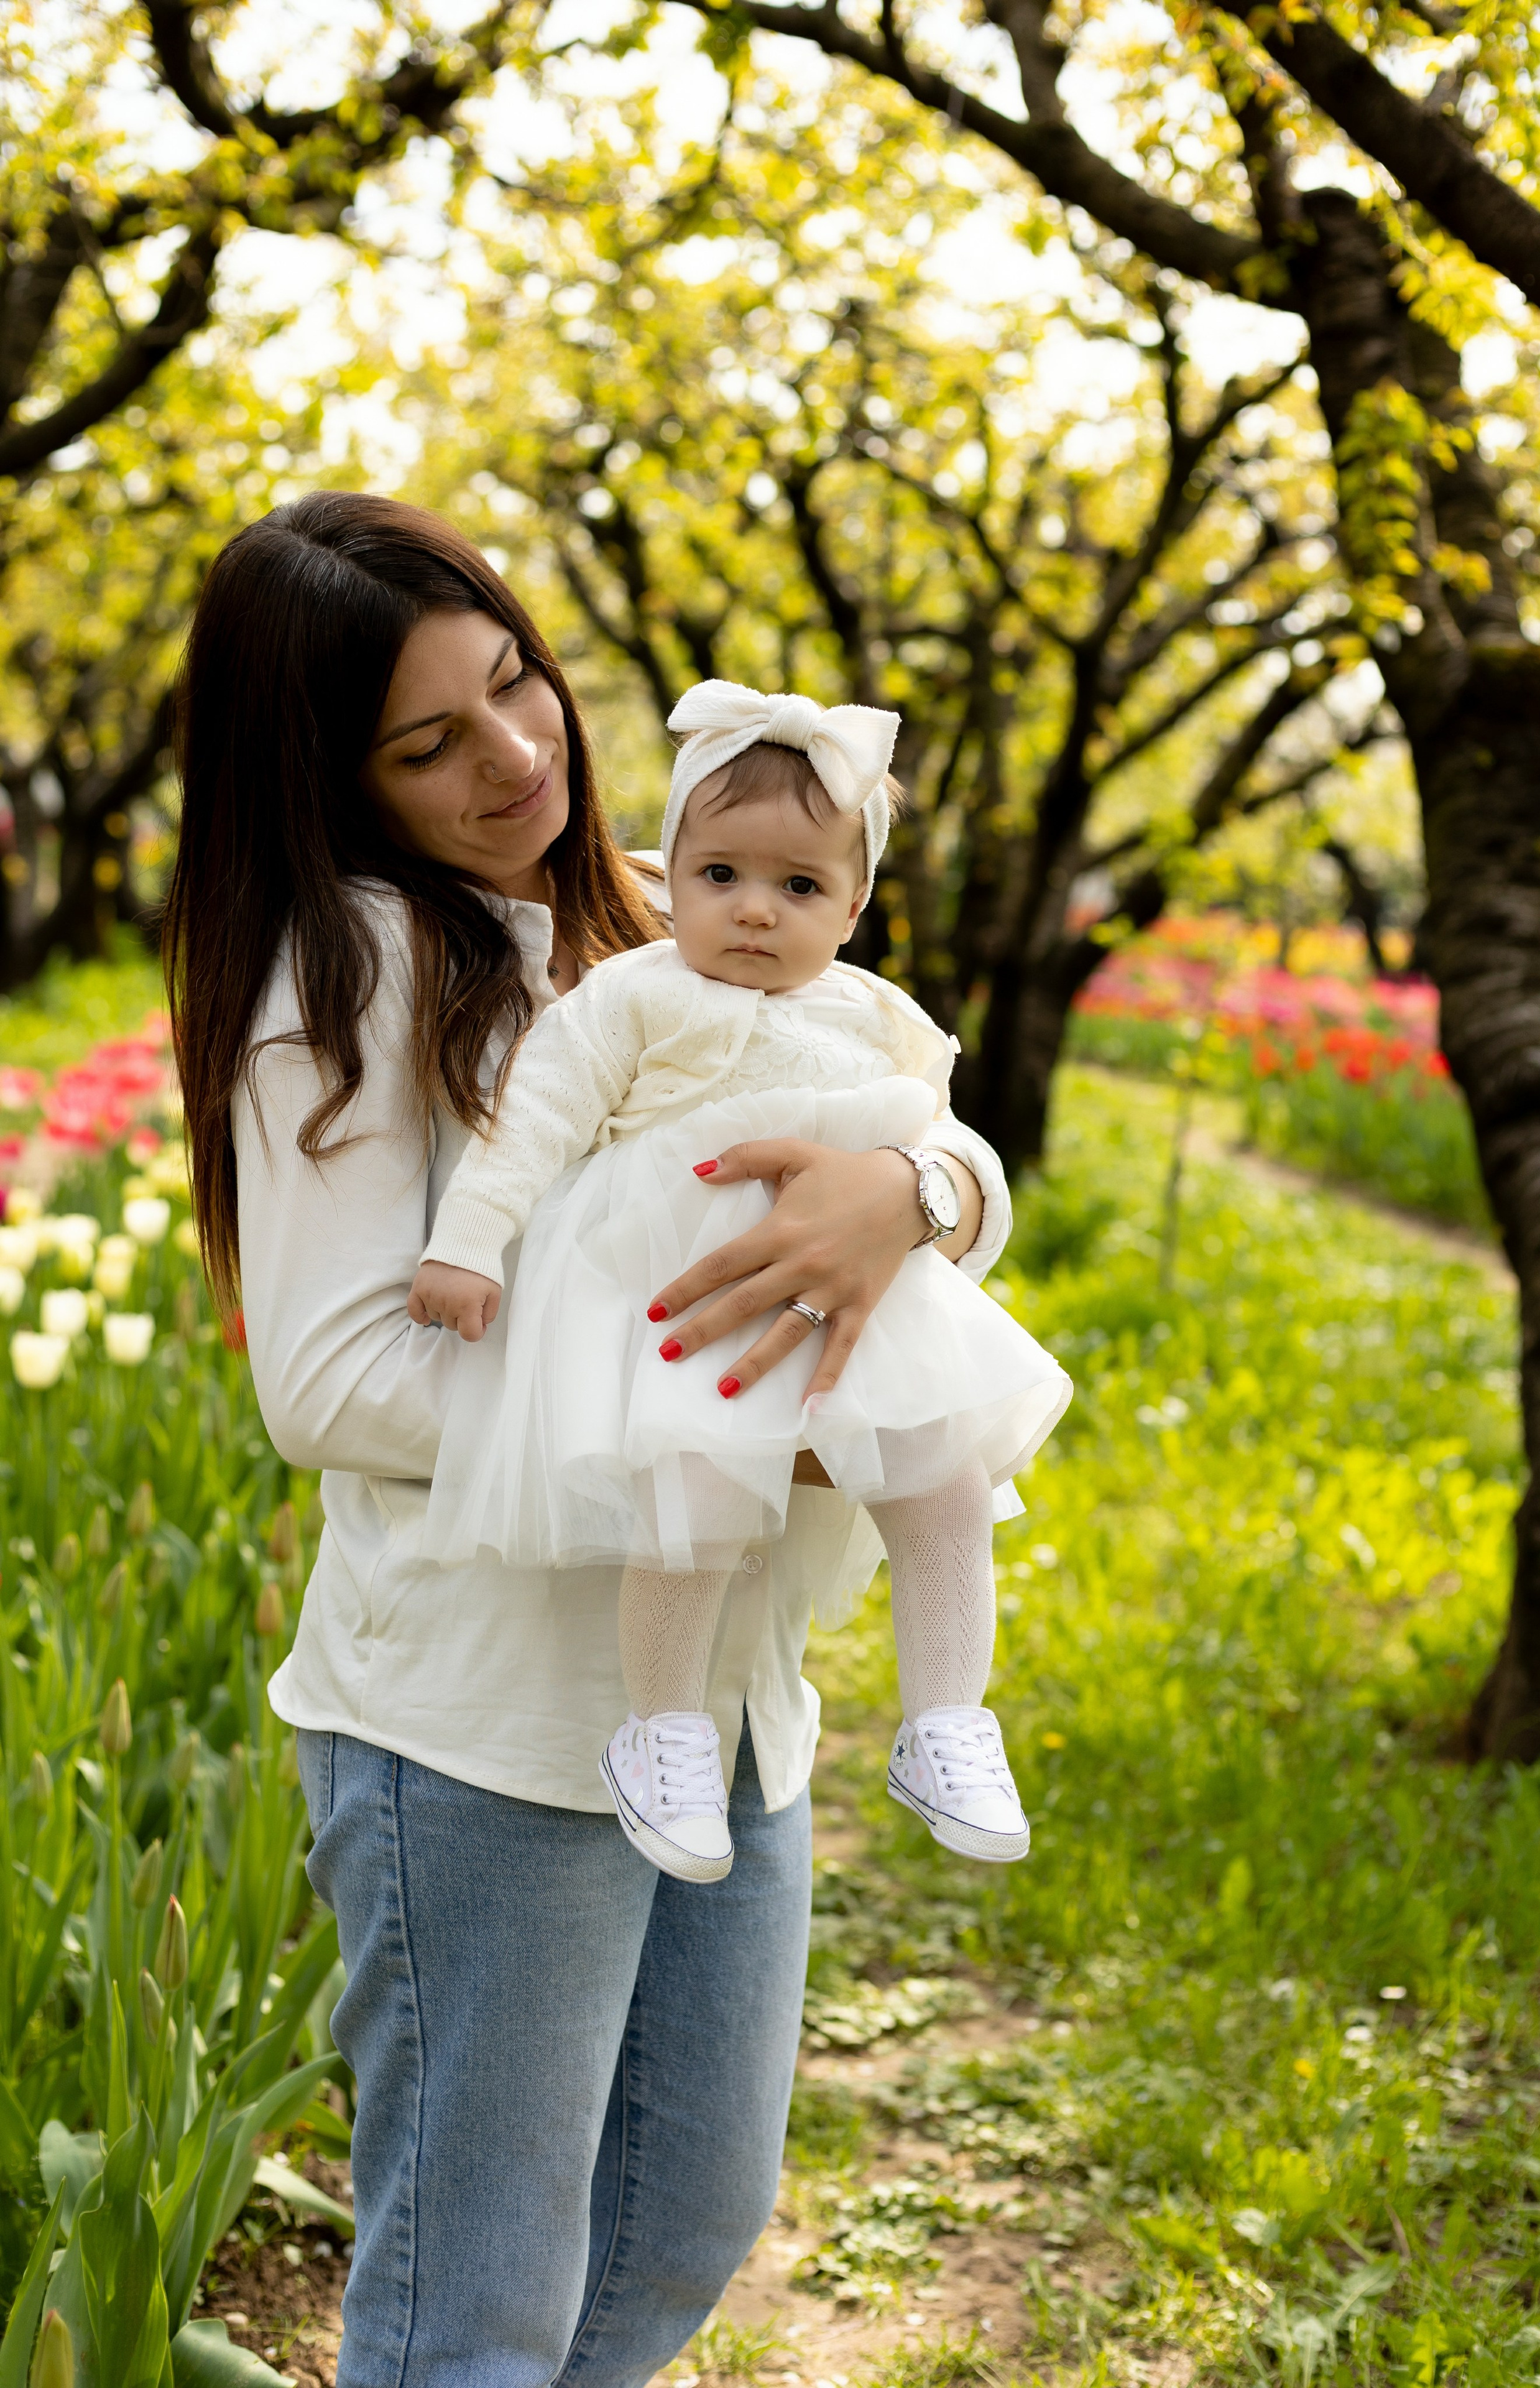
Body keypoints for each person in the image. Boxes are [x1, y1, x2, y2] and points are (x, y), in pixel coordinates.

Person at [164, 491, 1016, 2386]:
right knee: (476, 2306)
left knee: (679, 2224)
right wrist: (741, 1428)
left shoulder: (657, 902)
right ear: (324, 775)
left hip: (729, 1704)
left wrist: (924, 1196)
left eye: (516, 684)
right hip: (481, 1735)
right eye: (429, 741)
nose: (516, 754)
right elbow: (327, 1382)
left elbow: (916, 1102)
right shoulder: (347, 981)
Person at [409, 679, 1071, 1884]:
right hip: (687, 1298)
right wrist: (467, 1243)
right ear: (675, 874)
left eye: (800, 888)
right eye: (719, 877)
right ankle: (659, 1730)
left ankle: (945, 1720)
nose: (754, 913)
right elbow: (534, 1121)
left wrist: (925, 1186)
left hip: (858, 1301)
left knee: (944, 1484)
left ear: (856, 904)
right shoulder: (634, 993)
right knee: (694, 1503)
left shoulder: (876, 1011)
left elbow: (948, 1145)